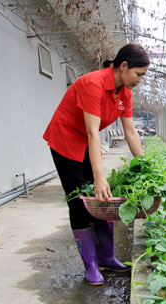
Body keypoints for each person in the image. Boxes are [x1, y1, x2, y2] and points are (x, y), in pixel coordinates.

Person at [43, 43, 149, 285]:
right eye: (139, 74)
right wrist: (99, 177)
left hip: (86, 141)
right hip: (66, 140)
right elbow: (93, 133)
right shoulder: (93, 84)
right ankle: (90, 265)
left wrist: (144, 167)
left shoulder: (124, 93)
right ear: (123, 66)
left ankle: (108, 258)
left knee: (102, 199)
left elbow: (131, 131)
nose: (140, 80)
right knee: (79, 200)